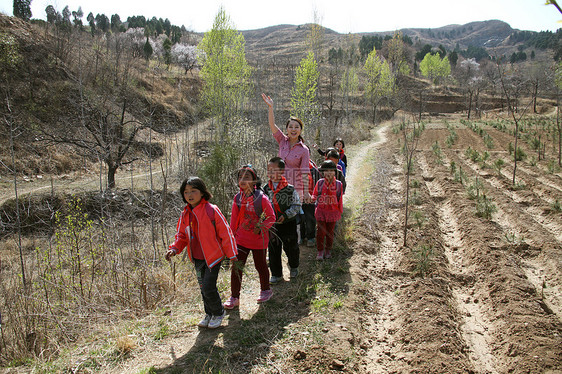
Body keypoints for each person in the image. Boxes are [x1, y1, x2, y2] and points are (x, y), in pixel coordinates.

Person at [166, 177, 237, 329]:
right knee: (202, 288)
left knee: (208, 287)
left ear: (202, 192)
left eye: (193, 191)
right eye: (186, 192)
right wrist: (174, 249)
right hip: (197, 258)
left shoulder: (211, 210)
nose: (189, 195)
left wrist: (232, 255)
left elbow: (226, 233)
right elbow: (181, 235)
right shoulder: (185, 214)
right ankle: (209, 313)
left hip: (213, 257)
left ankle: (218, 312)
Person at [224, 165, 276, 309]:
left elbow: (272, 217)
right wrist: (231, 237)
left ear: (254, 181)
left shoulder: (262, 198)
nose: (242, 180)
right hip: (241, 239)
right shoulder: (238, 198)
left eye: (246, 177)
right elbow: (234, 220)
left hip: (259, 240)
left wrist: (260, 227)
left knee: (260, 266)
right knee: (236, 268)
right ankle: (235, 297)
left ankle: (266, 290)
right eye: (240, 177)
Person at [261, 93, 311, 203]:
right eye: (291, 127)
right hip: (278, 187)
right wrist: (270, 108)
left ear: (300, 130)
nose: (293, 129)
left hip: (295, 189)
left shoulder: (304, 150)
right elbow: (272, 125)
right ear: (287, 129)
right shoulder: (282, 141)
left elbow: (304, 172)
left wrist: (306, 192)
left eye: (297, 127)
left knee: (294, 218)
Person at [263, 157, 301, 283]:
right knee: (273, 248)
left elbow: (296, 206)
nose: (271, 173)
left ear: (282, 171)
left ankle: (294, 266)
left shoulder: (289, 189)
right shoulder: (265, 189)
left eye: (274, 170)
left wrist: (286, 214)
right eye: (269, 170)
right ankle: (276, 273)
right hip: (273, 225)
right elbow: (262, 205)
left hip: (288, 223)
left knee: (291, 247)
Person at [312, 160, 343, 260]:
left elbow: (340, 199)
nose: (329, 173)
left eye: (331, 170)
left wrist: (339, 211)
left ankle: (328, 250)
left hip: (333, 212)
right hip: (321, 211)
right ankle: (320, 251)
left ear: (335, 172)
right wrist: (310, 199)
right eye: (326, 170)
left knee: (330, 232)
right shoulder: (320, 183)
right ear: (323, 172)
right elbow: (315, 194)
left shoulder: (339, 184)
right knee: (320, 232)